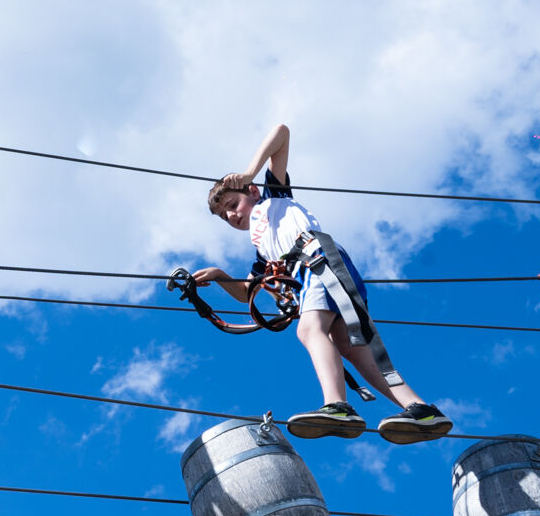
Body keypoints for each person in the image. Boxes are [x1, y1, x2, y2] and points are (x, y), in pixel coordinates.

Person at [191, 123, 452, 443]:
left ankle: (338, 407)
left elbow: (281, 133)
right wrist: (219, 275)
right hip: (312, 274)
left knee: (308, 330)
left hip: (318, 260)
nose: (232, 216)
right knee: (351, 348)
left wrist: (248, 173)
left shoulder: (274, 198)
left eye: (232, 205)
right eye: (224, 216)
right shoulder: (263, 252)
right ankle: (421, 409)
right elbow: (247, 293)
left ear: (253, 191)